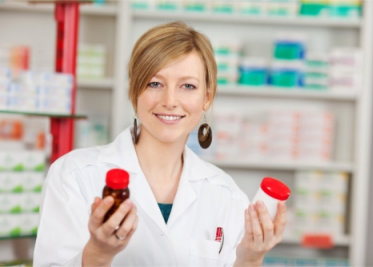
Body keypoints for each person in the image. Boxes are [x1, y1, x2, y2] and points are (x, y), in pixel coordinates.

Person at [33, 21, 287, 266]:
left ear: (206, 98)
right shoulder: (74, 175)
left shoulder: (226, 195)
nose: (170, 100)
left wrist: (250, 260)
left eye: (188, 86)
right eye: (155, 83)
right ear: (134, 91)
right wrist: (98, 254)